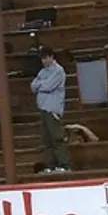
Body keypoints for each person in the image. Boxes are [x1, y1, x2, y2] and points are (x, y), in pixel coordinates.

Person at [30, 46, 71, 174]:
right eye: (42, 58)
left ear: (51, 57)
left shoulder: (59, 71)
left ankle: (64, 165)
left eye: (46, 58)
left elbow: (48, 86)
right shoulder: (42, 72)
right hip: (42, 108)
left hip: (52, 108)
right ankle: (51, 165)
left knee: (56, 137)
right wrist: (42, 84)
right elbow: (32, 86)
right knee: (47, 139)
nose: (44, 61)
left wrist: (40, 84)